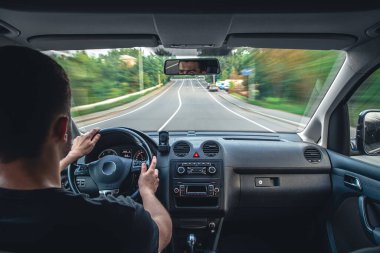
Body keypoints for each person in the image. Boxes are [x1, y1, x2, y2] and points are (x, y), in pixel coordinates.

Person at [0, 46, 172, 253]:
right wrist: (146, 192)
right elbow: (162, 232)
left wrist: (71, 157)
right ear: (62, 129)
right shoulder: (116, 221)